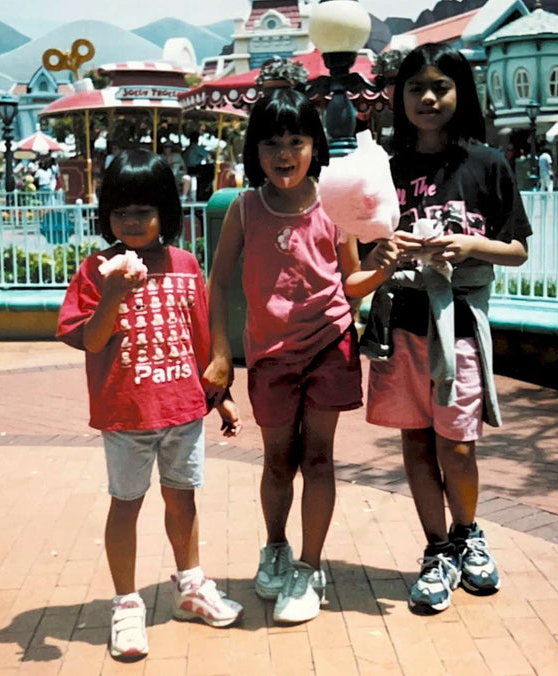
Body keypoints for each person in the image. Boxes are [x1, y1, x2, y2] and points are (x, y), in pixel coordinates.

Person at [359, 43, 532, 615]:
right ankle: (436, 550)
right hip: (399, 325)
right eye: (415, 88)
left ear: (461, 94)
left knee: (456, 444)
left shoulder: (487, 164)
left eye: (440, 87)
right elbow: (360, 252)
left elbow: (517, 251)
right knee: (414, 439)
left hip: (456, 325)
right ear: (398, 97)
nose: (428, 98)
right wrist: (383, 251)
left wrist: (470, 244)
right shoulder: (380, 168)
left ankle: (467, 534)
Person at [56, 149, 244, 662]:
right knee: (127, 503)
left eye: (144, 210)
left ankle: (190, 586)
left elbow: (201, 343)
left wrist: (220, 399)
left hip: (183, 412)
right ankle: (126, 604)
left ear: (166, 211)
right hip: (126, 416)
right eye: (120, 212)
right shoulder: (96, 270)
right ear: (106, 216)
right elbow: (92, 341)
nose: (132, 222)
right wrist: (113, 292)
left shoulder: (185, 266)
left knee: (183, 499)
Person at [204, 88, 376, 624]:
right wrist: (218, 352)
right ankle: (276, 546)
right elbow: (219, 282)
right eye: (272, 142)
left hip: (329, 344)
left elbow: (351, 281)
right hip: (270, 356)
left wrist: (384, 269)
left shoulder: (335, 204)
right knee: (278, 458)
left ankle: (309, 565)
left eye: (296, 140)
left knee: (318, 457)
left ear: (315, 146)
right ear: (255, 150)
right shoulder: (244, 208)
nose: (285, 153)